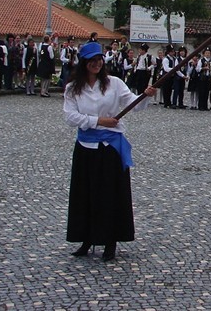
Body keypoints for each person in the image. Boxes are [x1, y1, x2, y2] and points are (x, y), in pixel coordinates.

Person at [63, 41, 156, 261]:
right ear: (84, 63)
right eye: (92, 61)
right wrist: (99, 121)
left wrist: (146, 95)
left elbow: (133, 104)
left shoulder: (114, 83)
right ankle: (86, 238)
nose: (96, 64)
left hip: (110, 148)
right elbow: (70, 117)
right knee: (85, 194)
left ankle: (111, 241)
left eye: (99, 60)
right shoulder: (72, 89)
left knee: (110, 195)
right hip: (86, 148)